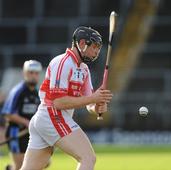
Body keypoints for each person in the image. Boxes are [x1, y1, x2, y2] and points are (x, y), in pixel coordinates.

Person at [20, 26, 113, 170]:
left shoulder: (84, 69)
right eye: (94, 47)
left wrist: (97, 106)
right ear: (82, 44)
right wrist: (93, 98)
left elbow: (89, 104)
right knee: (88, 158)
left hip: (47, 119)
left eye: (98, 48)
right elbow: (58, 102)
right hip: (52, 115)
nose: (97, 52)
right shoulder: (62, 63)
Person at [1, 60, 42, 170]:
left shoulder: (37, 93)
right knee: (21, 166)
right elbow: (8, 114)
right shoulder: (18, 91)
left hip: (30, 134)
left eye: (36, 73)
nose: (33, 76)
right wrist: (27, 123)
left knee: (41, 163)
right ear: (25, 73)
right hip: (16, 133)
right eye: (30, 72)